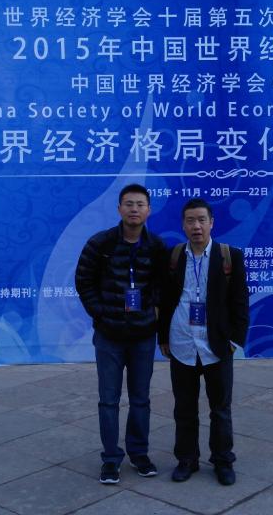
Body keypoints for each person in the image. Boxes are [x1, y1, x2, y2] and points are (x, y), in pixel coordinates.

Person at [75, 183, 167, 485]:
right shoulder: (100, 244)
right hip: (109, 336)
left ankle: (139, 454)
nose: (134, 209)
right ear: (119, 209)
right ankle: (111, 459)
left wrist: (152, 313)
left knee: (141, 399)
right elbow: (83, 281)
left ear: (149, 210)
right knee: (108, 400)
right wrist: (101, 313)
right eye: (129, 203)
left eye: (140, 204)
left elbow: (163, 285)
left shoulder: (157, 247)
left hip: (143, 336)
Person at [159, 198, 250, 486]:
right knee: (184, 408)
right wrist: (163, 337)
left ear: (212, 223)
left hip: (217, 345)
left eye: (201, 220)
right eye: (190, 220)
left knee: (220, 409)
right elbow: (165, 300)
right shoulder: (174, 257)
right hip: (182, 343)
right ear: (183, 225)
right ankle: (187, 460)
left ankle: (223, 460)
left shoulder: (230, 256)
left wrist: (235, 341)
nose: (196, 226)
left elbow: (240, 302)